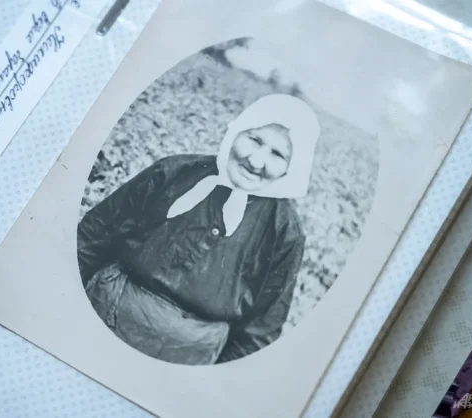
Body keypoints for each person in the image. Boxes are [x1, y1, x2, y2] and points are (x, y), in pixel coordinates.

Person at [77, 94, 321, 365]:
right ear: (236, 130)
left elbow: (261, 328)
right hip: (104, 314)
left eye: (277, 154)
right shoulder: (174, 172)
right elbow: (92, 237)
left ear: (292, 168)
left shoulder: (284, 231)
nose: (256, 161)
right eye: (254, 139)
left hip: (187, 359)